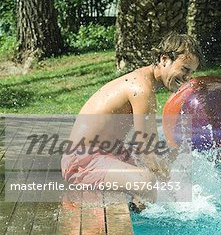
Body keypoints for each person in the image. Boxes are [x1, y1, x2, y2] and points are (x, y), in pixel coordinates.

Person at [61, 32, 203, 210]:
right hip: (82, 162)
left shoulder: (143, 82)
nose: (187, 78)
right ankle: (140, 224)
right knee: (146, 182)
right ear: (164, 59)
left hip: (106, 154)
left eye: (191, 72)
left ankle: (136, 208)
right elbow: (148, 151)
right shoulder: (141, 89)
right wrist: (176, 197)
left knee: (167, 159)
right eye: (184, 69)